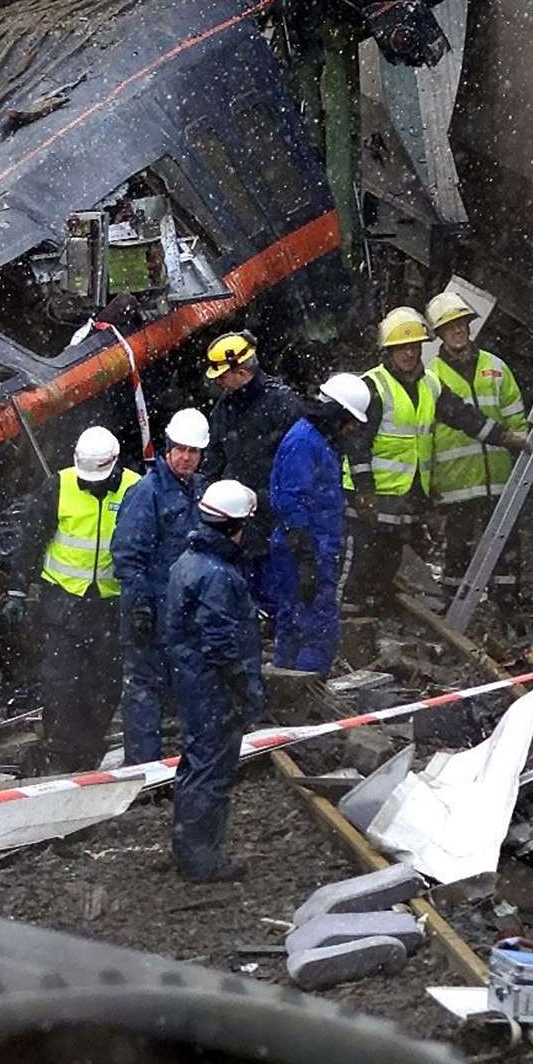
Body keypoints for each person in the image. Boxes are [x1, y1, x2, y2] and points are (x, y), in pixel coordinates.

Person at [342, 307, 529, 611]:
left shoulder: (429, 383)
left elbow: (463, 416)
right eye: (403, 348)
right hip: (373, 492)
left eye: (414, 347)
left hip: (405, 492)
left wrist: (504, 438)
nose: (410, 354)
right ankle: (353, 624)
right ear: (389, 351)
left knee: (389, 556)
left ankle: (378, 614)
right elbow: (357, 444)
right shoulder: (373, 387)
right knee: (362, 562)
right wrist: (364, 492)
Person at [4, 426, 140, 773]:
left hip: (110, 605)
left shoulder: (135, 489)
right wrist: (17, 589)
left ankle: (88, 748)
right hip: (63, 603)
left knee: (104, 683)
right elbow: (30, 540)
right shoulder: (59, 487)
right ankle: (61, 753)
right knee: (61, 682)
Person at [165, 478, 262, 883]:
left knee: (194, 766)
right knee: (212, 773)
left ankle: (186, 847)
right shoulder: (218, 575)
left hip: (192, 682)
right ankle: (202, 860)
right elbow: (220, 642)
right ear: (234, 526)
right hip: (212, 688)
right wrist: (243, 687)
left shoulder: (187, 562)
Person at [110, 407, 209, 763]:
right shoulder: (147, 492)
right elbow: (128, 554)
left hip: (187, 611)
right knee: (144, 689)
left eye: (193, 451)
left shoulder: (199, 491)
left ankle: (189, 763)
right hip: (152, 608)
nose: (186, 457)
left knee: (189, 685)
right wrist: (139, 606)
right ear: (168, 448)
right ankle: (144, 770)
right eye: (180, 449)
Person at [426, 289, 529, 615]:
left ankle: (508, 606)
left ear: (470, 326)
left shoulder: (496, 368)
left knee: (505, 545)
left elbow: (516, 416)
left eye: (462, 324)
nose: (457, 331)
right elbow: (423, 433)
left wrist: (521, 448)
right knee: (459, 547)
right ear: (439, 334)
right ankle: (454, 610)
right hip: (455, 482)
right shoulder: (432, 377)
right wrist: (428, 482)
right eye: (450, 327)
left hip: (497, 477)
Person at [269, 372, 371, 675]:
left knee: (296, 622)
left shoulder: (318, 439)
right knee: (315, 628)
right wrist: (305, 557)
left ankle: (289, 690)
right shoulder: (305, 442)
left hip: (311, 548)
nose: (351, 428)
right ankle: (304, 690)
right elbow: (290, 499)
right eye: (349, 420)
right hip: (306, 549)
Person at [204, 330, 306, 618]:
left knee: (276, 590)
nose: (220, 383)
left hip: (275, 513)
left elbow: (299, 464)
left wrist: (274, 501)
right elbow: (215, 456)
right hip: (237, 516)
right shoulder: (225, 408)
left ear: (240, 371)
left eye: (223, 376)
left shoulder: (281, 403)